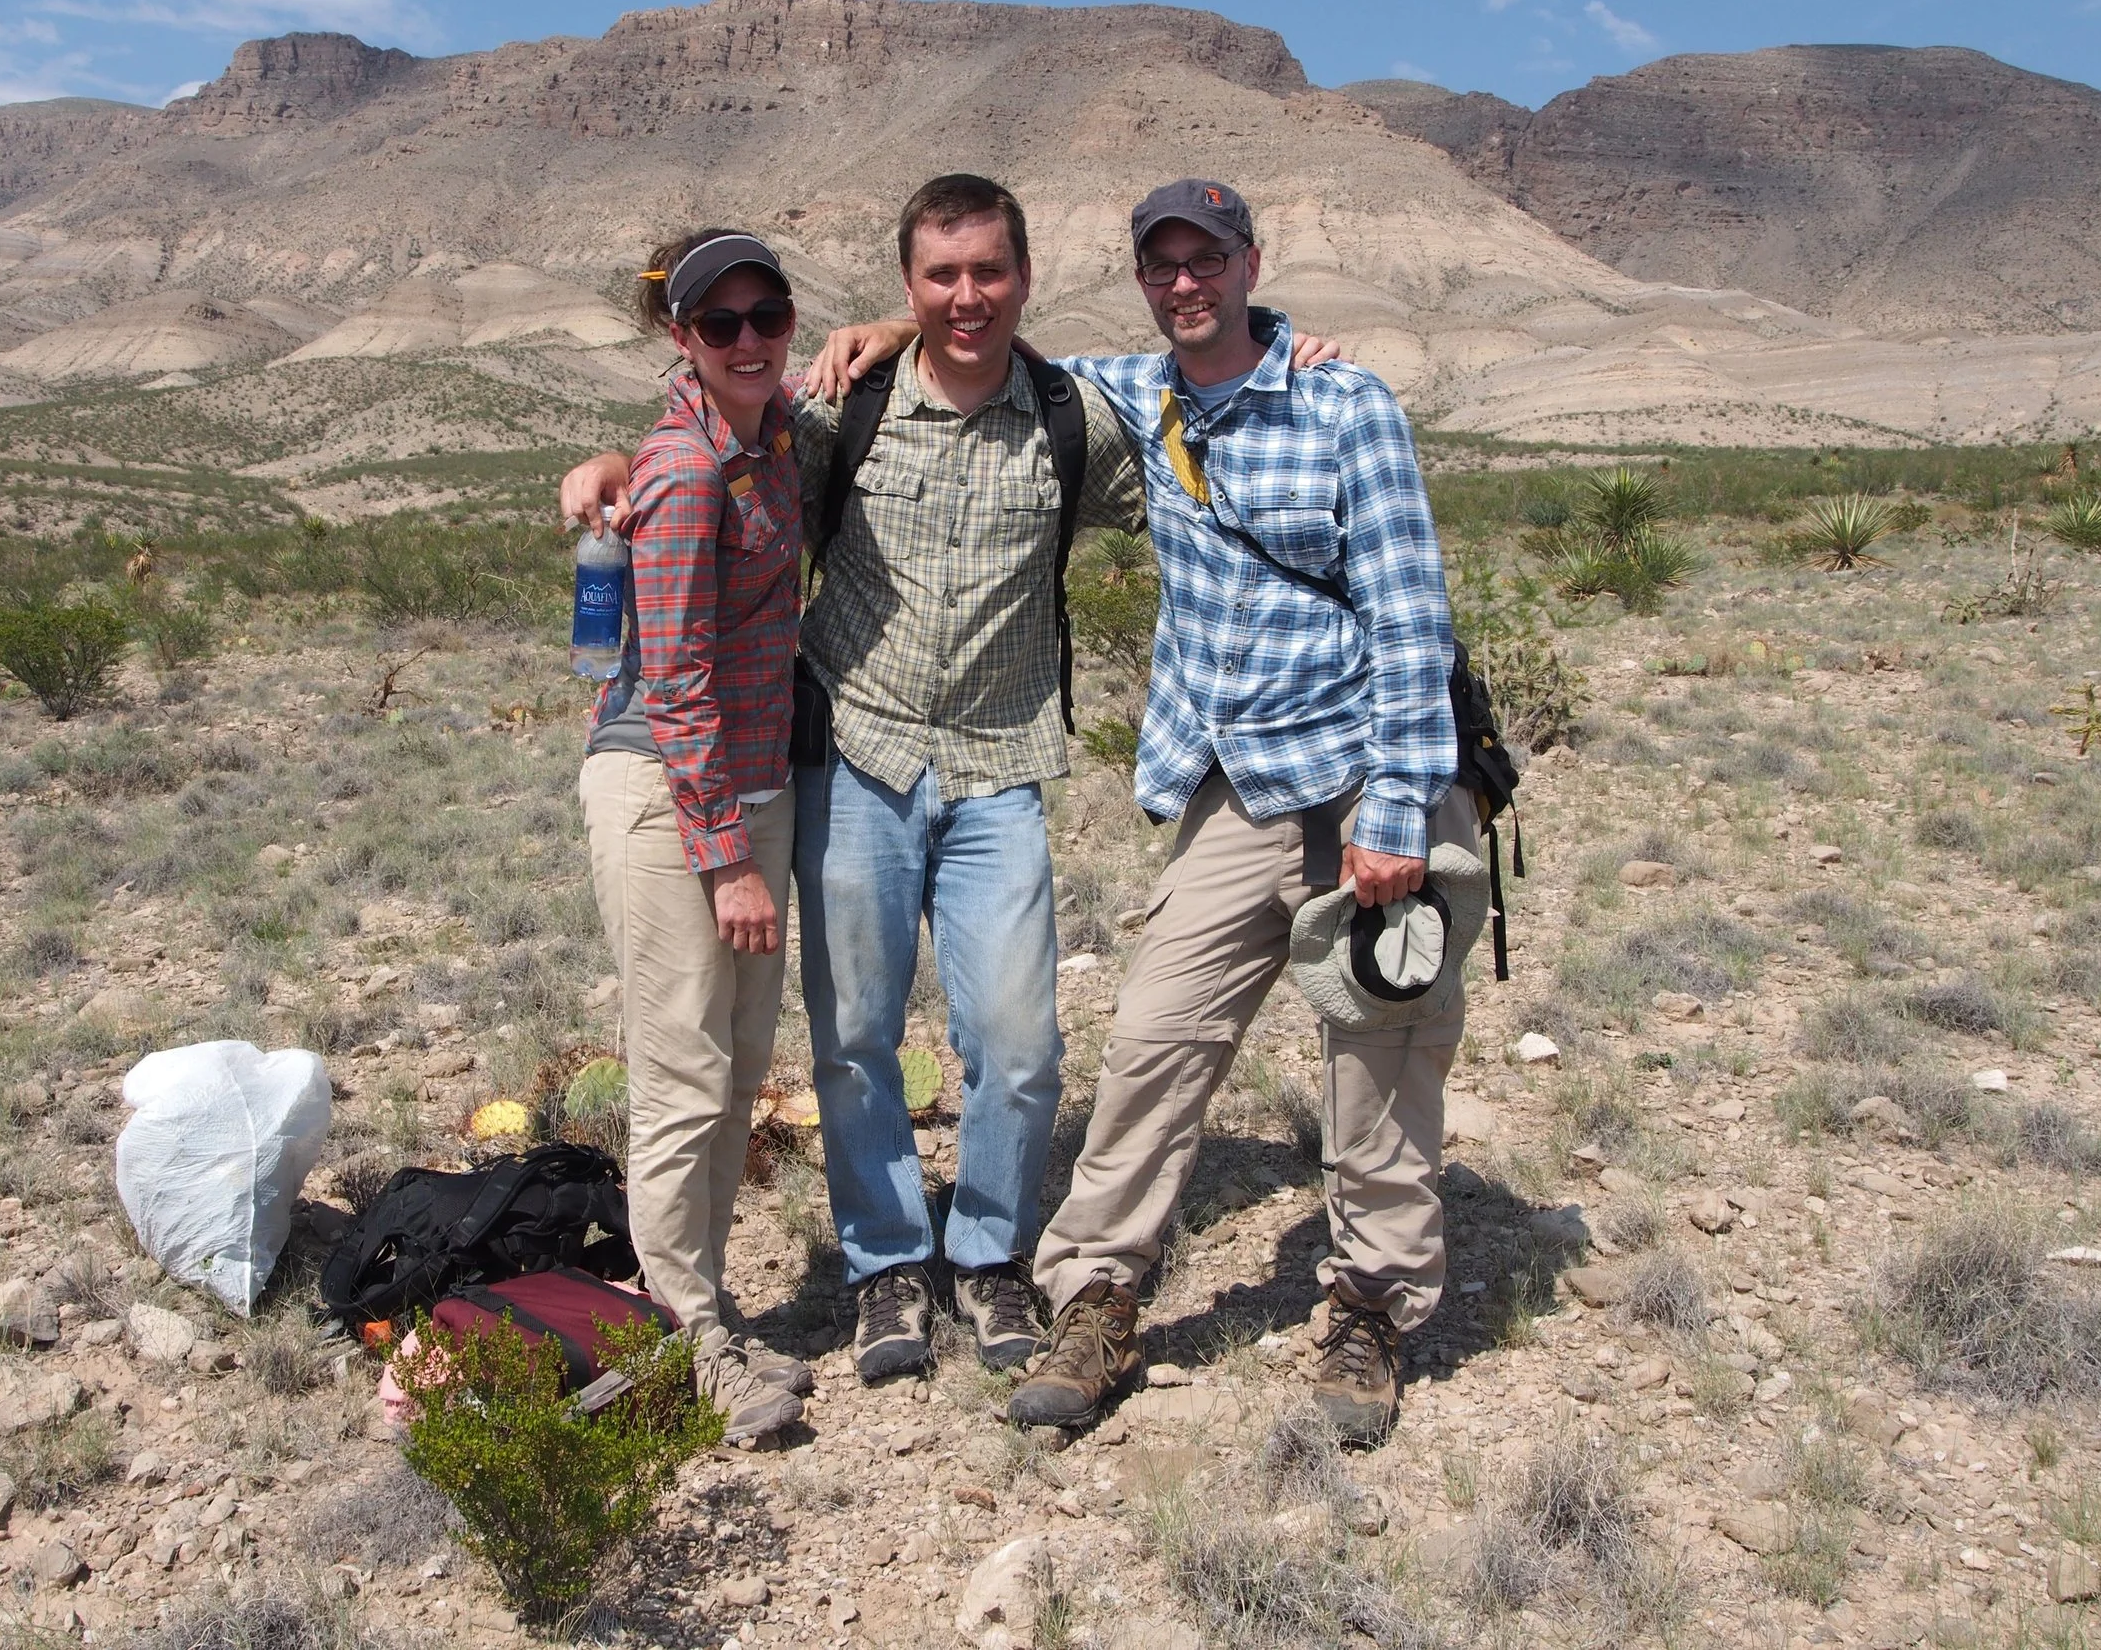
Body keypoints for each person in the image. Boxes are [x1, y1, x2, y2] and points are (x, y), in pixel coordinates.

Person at [569, 177, 1340, 1388]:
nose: (966, 296)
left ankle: (985, 1255)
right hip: (857, 757)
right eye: (940, 276)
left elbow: (1209, 454)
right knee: (855, 1041)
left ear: (1024, 278)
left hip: (998, 769)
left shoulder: (1068, 416)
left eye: (988, 272)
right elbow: (723, 444)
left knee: (1018, 1044)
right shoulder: (843, 409)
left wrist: (1293, 355)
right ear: (909, 287)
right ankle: (883, 1267)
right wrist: (613, 458)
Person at [808, 179, 1466, 1445]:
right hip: (1235, 786)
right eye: (1161, 264)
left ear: (1249, 263)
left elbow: (1410, 611)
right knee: (1153, 1043)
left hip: (1365, 777)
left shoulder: (1343, 403)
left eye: (1205, 260)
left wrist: (1396, 801)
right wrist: (886, 334)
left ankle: (1369, 1318)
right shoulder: (1132, 393)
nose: (1184, 283)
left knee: (1378, 1059)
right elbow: (974, 340)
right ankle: (1095, 1295)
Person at [576, 227, 816, 1445]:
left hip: (750, 786)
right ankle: (681, 1333)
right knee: (679, 1069)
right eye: (718, 325)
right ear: (682, 337)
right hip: (675, 795)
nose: (746, 341)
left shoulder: (773, 440)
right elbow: (670, 683)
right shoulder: (681, 474)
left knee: (732, 1065)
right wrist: (723, 855)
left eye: (764, 316)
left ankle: (697, 1295)